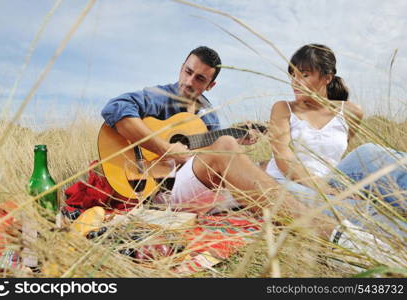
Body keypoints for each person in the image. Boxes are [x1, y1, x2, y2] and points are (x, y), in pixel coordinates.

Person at [101, 46, 402, 268]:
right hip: (160, 186)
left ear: (211, 85)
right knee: (226, 147)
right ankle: (340, 237)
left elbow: (215, 156)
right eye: (188, 71)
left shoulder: (209, 114)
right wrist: (166, 149)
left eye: (200, 79)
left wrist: (237, 139)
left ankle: (389, 234)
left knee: (371, 154)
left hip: (215, 186)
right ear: (181, 67)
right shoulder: (157, 97)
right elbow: (116, 110)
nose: (190, 82)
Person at [266, 43, 406, 233]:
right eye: (293, 75)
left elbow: (340, 153)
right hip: (288, 183)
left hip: (331, 181)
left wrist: (336, 186)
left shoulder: (351, 111)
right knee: (352, 208)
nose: (295, 82)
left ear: (327, 78)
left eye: (304, 75)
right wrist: (322, 187)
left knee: (369, 152)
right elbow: (282, 156)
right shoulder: (283, 108)